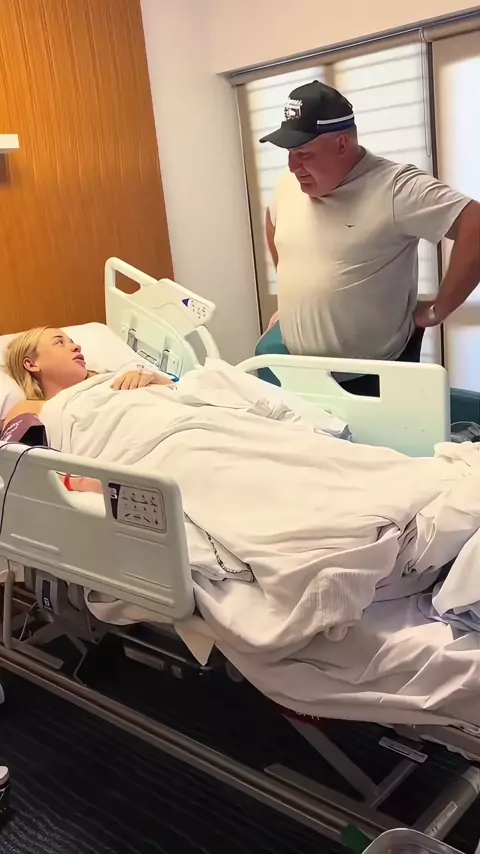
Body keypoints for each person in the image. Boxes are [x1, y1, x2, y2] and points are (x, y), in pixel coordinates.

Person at [260, 80, 480, 395]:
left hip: (372, 378)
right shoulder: (288, 185)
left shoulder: (395, 187)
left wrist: (439, 310)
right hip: (300, 374)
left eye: (304, 153)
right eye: (290, 153)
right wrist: (292, 297)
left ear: (341, 144)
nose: (293, 166)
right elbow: (273, 223)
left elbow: (475, 225)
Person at [4, 326, 173, 492]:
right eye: (59, 343)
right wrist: (78, 483)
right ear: (31, 364)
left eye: (72, 341)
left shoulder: (116, 377)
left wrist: (154, 379)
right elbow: (13, 466)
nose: (76, 346)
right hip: (160, 458)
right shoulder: (33, 407)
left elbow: (181, 396)